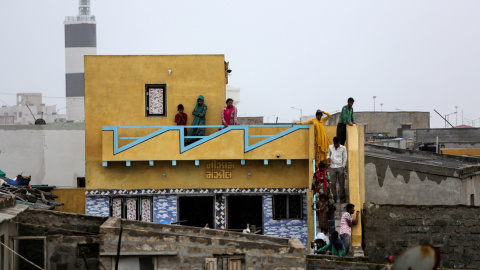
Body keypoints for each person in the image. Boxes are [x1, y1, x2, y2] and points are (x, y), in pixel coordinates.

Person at [328, 137, 348, 203]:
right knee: (332, 183)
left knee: (341, 183)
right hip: (332, 167)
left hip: (340, 167)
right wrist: (328, 158)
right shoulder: (330, 147)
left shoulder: (343, 148)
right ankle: (334, 197)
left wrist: (343, 166)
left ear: (339, 143)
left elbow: (345, 157)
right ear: (333, 143)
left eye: (337, 143)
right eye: (335, 143)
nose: (336, 145)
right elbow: (328, 155)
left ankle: (342, 197)